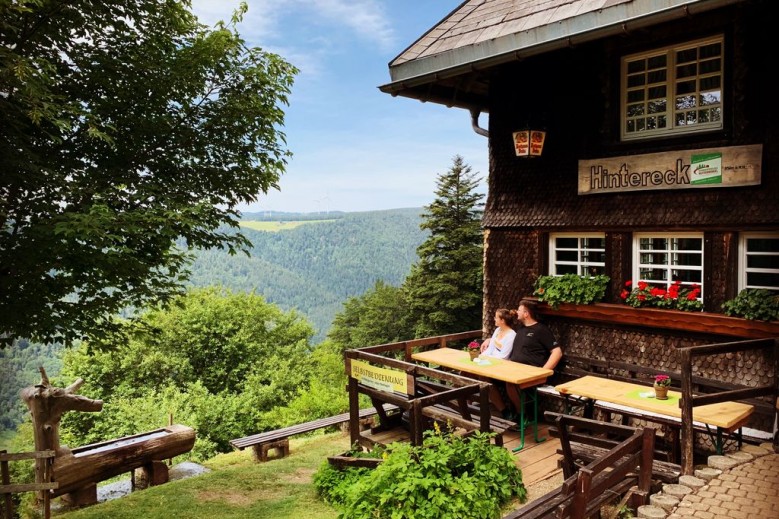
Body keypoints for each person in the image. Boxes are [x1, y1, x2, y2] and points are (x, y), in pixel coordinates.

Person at [493, 299, 564, 421]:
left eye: (519, 310)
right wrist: (490, 340)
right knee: (485, 378)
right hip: (514, 370)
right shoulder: (520, 329)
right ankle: (505, 412)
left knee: (511, 383)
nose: (517, 312)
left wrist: (543, 372)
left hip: (531, 374)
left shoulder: (541, 330)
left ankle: (522, 415)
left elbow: (557, 352)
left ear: (526, 314)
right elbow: (503, 334)